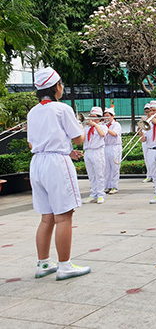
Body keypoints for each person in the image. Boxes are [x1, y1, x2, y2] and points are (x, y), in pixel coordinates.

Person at [27, 67, 91, 280]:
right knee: (64, 216)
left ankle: (43, 264)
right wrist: (79, 127)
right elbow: (79, 138)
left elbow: (31, 143)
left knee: (47, 217)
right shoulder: (62, 109)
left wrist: (63, 148)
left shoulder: (33, 112)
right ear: (57, 87)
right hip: (56, 164)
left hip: (37, 162)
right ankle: (64, 266)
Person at [82, 107, 107, 204]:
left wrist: (95, 125)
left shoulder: (103, 127)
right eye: (90, 116)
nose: (91, 118)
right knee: (91, 175)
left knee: (99, 174)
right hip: (88, 151)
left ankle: (100, 195)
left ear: (99, 118)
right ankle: (93, 194)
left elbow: (102, 134)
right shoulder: (87, 127)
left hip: (98, 151)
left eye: (94, 117)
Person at [103, 108, 122, 195]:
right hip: (105, 147)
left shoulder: (116, 124)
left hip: (115, 147)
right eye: (105, 116)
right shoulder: (103, 125)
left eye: (108, 116)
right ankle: (107, 186)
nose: (106, 118)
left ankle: (114, 186)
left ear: (112, 116)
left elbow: (114, 134)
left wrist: (104, 128)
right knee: (106, 168)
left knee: (115, 167)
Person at [141, 104, 154, 184]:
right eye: (146, 112)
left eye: (148, 112)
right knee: (147, 159)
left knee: (153, 160)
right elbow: (140, 131)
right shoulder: (145, 119)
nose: (147, 114)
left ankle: (154, 176)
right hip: (145, 140)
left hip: (153, 142)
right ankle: (149, 175)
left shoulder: (154, 120)